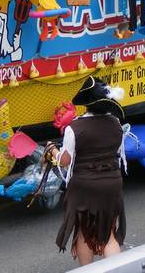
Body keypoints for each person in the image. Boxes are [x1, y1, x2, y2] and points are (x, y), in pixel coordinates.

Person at [47, 76, 127, 266]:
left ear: (87, 104)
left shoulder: (74, 128)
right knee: (108, 234)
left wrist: (52, 150)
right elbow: (117, 153)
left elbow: (65, 161)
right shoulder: (116, 123)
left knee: (84, 232)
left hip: (84, 186)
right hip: (111, 184)